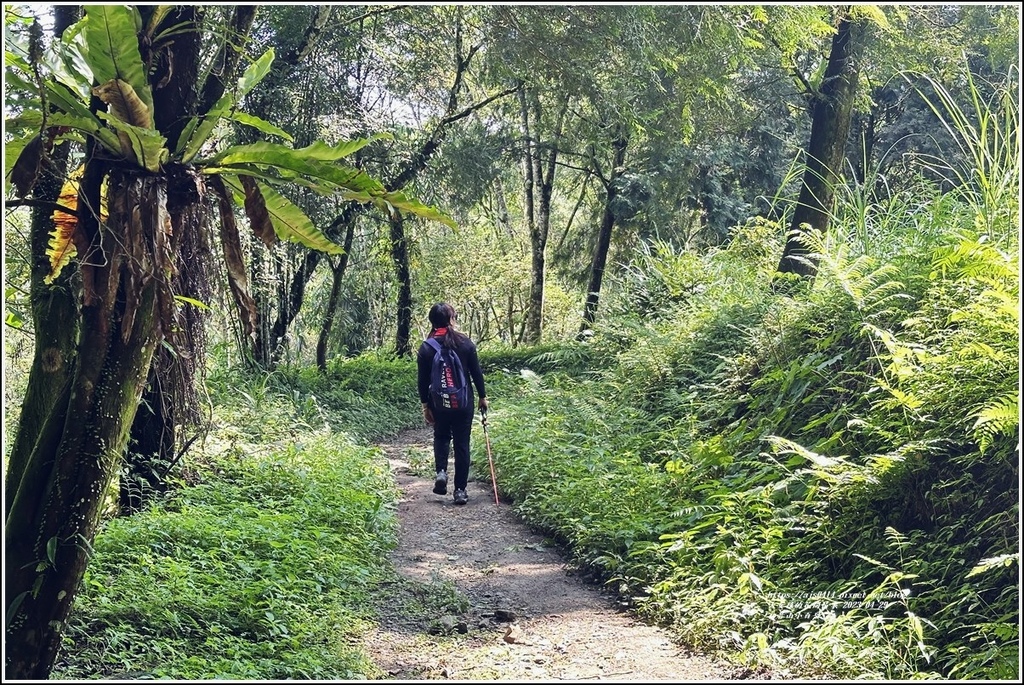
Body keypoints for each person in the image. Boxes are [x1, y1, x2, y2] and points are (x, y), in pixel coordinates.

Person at [417, 302, 488, 505]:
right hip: (464, 402)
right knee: (461, 444)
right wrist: (483, 397)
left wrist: (425, 405)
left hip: (439, 403)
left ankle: (441, 471)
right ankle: (460, 491)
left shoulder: (426, 347)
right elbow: (476, 373)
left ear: (432, 321)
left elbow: (422, 381)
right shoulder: (465, 343)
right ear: (451, 319)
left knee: (441, 436)